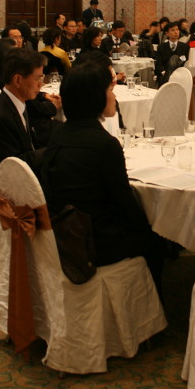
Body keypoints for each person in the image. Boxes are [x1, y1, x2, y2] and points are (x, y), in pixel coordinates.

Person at [41, 61, 166, 291]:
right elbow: (124, 204)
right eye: (109, 90)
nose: (114, 96)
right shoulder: (104, 145)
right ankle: (146, 313)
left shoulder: (58, 134)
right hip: (95, 241)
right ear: (95, 98)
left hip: (63, 232)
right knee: (157, 240)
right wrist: (152, 224)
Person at [0, 49, 52, 210]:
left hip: (21, 179)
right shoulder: (0, 117)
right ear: (18, 80)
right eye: (38, 78)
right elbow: (15, 166)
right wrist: (54, 149)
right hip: (7, 196)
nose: (41, 84)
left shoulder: (16, 104)